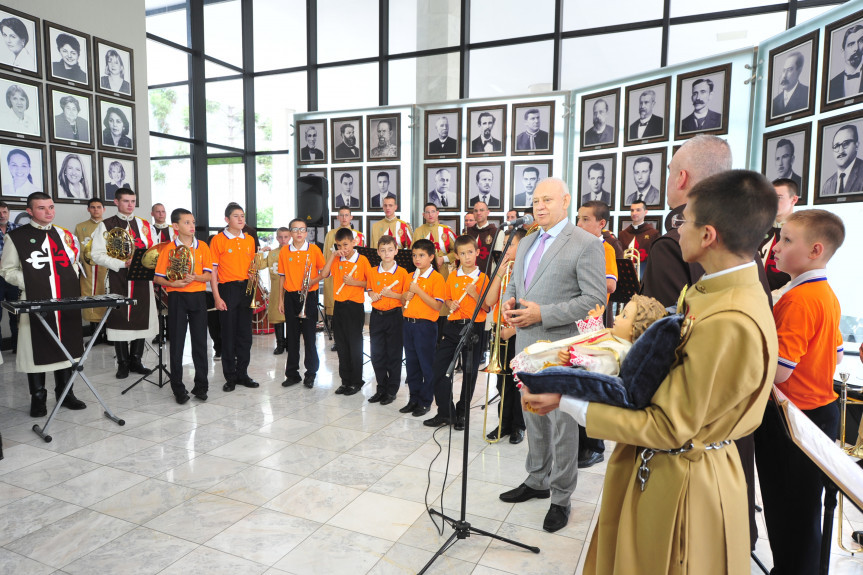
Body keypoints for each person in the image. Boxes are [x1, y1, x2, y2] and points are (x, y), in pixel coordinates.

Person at [527, 170, 780, 573]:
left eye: (684, 221)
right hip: (671, 464)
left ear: (708, 235)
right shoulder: (715, 292)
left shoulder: (729, 320)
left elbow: (669, 426)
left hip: (685, 478)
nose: (676, 231)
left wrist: (567, 401)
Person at [496, 177, 606, 533]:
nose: (539, 206)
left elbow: (592, 299)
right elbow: (516, 284)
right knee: (533, 417)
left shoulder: (586, 243)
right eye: (535, 200)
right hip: (526, 343)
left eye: (547, 199)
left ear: (565, 201)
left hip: (560, 346)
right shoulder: (526, 240)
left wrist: (542, 313)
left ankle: (561, 496)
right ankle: (537, 479)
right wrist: (511, 301)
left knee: (561, 424)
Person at [755, 209, 845, 575]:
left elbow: (778, 372)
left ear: (816, 250)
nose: (775, 247)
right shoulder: (825, 294)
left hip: (795, 418)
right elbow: (836, 354)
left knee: (789, 512)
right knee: (802, 513)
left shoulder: (798, 300)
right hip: (819, 410)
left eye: (787, 240)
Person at [0, 192, 88, 417]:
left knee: (66, 344)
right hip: (34, 300)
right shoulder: (16, 236)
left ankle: (66, 393)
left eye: (51, 207)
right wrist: (31, 281)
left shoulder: (63, 234)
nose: (48, 212)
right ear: (29, 211)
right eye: (41, 208)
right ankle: (38, 397)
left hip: (65, 300)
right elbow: (7, 271)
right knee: (35, 349)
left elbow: (73, 264)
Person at [423, 235, 490, 429]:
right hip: (453, 326)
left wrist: (474, 294)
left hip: (473, 327)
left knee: (469, 372)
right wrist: (450, 302)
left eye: (470, 252)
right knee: (440, 368)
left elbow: (486, 307)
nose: (467, 257)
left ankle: (462, 413)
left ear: (477, 253)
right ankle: (446, 412)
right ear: (457, 256)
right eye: (463, 253)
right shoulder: (452, 276)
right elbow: (448, 299)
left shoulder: (482, 278)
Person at [91, 187, 158, 378]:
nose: (130, 205)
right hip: (117, 277)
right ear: (116, 202)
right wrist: (121, 263)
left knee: (140, 317)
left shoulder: (144, 225)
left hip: (142, 279)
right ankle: (122, 363)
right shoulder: (106, 225)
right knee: (119, 319)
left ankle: (136, 360)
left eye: (132, 201)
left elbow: (153, 249)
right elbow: (96, 254)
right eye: (126, 201)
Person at [574, 200, 619, 467]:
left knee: (589, 383)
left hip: (591, 322)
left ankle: (595, 445)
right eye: (578, 219)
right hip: (574, 319)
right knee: (575, 381)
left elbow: (611, 283)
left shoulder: (606, 248)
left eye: (585, 220)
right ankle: (578, 441)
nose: (579, 224)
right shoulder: (576, 246)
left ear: (601, 224)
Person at [154, 208, 212, 404]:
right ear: (176, 226)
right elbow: (158, 278)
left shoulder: (202, 246)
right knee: (177, 344)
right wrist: (173, 283)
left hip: (198, 297)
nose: (192, 226)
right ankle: (178, 388)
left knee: (200, 343)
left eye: (193, 222)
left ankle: (201, 385)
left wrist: (195, 277)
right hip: (177, 296)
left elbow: (208, 275)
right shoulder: (168, 249)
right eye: (187, 222)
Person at [484, 227, 527, 444]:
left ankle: (519, 425)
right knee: (503, 383)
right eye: (505, 244)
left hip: (519, 332)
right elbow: (489, 301)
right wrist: (499, 273)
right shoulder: (504, 268)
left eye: (511, 244)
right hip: (499, 331)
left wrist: (513, 329)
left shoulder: (529, 270)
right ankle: (504, 423)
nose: (506, 248)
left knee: (518, 382)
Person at [210, 202, 260, 392]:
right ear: (226, 219)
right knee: (229, 334)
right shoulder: (218, 240)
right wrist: (216, 296)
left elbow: (252, 266)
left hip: (246, 289)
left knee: (245, 335)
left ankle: (243, 374)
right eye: (236, 216)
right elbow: (213, 271)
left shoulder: (249, 239)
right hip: (227, 289)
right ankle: (230, 377)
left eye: (242, 216)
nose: (241, 219)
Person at [320, 227, 371, 395]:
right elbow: (325, 273)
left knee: (354, 345)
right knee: (341, 345)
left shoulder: (362, 260)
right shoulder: (337, 259)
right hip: (339, 306)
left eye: (346, 244)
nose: (343, 248)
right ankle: (345, 381)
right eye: (339, 245)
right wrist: (333, 256)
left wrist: (354, 282)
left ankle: (356, 381)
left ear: (354, 243)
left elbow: (370, 284)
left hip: (355, 306)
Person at [400, 238, 445, 417]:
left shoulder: (436, 278)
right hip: (408, 324)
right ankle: (413, 399)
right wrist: (405, 295)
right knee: (411, 365)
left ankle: (425, 401)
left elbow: (437, 306)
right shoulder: (410, 276)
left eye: (421, 255)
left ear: (431, 257)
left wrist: (418, 291)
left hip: (425, 327)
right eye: (414, 255)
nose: (417, 259)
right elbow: (403, 300)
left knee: (426, 365)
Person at [278, 218, 325, 388]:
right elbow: (281, 277)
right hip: (290, 297)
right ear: (290, 232)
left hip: (309, 296)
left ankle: (310, 373)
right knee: (292, 337)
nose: (298, 233)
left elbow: (324, 271)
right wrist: (281, 300)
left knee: (309, 337)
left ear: (306, 233)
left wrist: (313, 280)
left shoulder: (313, 250)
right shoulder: (284, 251)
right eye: (295, 229)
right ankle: (292, 374)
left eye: (302, 229)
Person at [367, 235, 410, 406]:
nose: (387, 253)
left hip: (394, 316)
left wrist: (393, 295)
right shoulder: (372, 271)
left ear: (396, 251)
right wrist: (373, 294)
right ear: (378, 252)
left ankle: (392, 390)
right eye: (383, 250)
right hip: (377, 315)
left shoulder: (402, 273)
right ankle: (381, 387)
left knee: (393, 354)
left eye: (390, 250)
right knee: (377, 354)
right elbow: (370, 290)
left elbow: (406, 298)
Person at [414, 203, 458, 331]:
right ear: (423, 215)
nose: (430, 215)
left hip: (442, 273)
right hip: (423, 275)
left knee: (441, 306)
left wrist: (443, 258)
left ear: (437, 213)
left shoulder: (446, 231)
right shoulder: (418, 231)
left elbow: (457, 251)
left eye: (433, 211)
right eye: (427, 212)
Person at [323, 207, 364, 335]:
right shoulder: (331, 234)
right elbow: (326, 254)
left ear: (351, 217)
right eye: (342, 215)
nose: (344, 218)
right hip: (335, 273)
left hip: (354, 277)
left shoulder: (358, 235)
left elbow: (363, 256)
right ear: (337, 217)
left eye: (347, 215)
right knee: (335, 305)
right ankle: (335, 334)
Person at [75, 199, 109, 345]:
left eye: (99, 207)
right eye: (93, 207)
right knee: (90, 297)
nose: (96, 210)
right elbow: (76, 248)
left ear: (104, 209)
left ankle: (108, 333)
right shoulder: (80, 227)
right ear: (88, 209)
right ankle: (95, 335)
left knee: (107, 297)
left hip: (105, 268)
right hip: (88, 269)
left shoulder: (110, 226)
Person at [758, 178, 799, 296]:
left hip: (780, 302)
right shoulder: (758, 229)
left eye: (779, 198)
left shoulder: (801, 232)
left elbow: (801, 276)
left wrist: (770, 300)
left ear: (794, 199)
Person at [261, 227, 289, 354]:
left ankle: (290, 343)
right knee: (277, 316)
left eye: (286, 237)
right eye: (280, 237)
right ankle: (280, 344)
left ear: (290, 237)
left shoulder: (293, 252)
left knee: (291, 317)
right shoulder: (272, 254)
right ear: (277, 238)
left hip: (291, 288)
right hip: (276, 288)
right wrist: (261, 252)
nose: (283, 240)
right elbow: (260, 265)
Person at [618, 200, 660, 276]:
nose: (634, 213)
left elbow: (656, 259)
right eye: (632, 210)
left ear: (645, 212)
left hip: (646, 275)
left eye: (638, 210)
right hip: (625, 275)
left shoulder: (653, 234)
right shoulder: (622, 234)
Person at [0, 200, 20, 351]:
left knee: (16, 313)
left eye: (4, 212)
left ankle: (17, 346)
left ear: (9, 212)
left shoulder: (18, 230)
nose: (2, 215)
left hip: (13, 277)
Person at [822, 124, 863, 196]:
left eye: (846, 143)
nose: (841, 151)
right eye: (836, 146)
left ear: (856, 145)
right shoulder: (827, 185)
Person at [828, 24, 863, 102]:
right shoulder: (831, 85)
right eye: (851, 44)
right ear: (842, 52)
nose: (856, 48)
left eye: (861, 42)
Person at [772, 51, 809, 116]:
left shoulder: (808, 94)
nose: (784, 76)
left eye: (789, 70)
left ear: (799, 71)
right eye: (784, 70)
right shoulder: (774, 102)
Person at [465, 201, 496, 273]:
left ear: (488, 212)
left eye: (481, 210)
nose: (478, 213)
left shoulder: (496, 232)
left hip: (488, 274)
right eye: (476, 211)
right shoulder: (469, 231)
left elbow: (497, 259)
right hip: (469, 273)